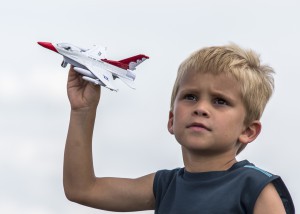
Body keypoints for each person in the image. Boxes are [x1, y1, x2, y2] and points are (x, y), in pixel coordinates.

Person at [63, 44, 295, 213]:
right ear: (172, 120)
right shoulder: (164, 186)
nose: (201, 108)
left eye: (220, 101)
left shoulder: (256, 188)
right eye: (191, 97)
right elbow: (82, 189)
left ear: (248, 131)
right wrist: (82, 110)